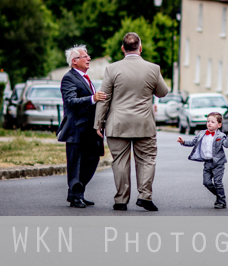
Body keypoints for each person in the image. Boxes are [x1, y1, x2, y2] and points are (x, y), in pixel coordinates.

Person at [94, 32, 169, 211]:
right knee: (147, 159)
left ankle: (121, 199)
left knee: (119, 161)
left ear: (122, 48)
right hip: (144, 123)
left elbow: (104, 98)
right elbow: (163, 92)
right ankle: (145, 196)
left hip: (117, 123)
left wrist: (98, 123)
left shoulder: (112, 69)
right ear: (140, 48)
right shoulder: (153, 69)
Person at [57, 45, 108, 208]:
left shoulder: (85, 77)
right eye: (85, 56)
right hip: (76, 129)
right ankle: (76, 195)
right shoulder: (69, 78)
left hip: (90, 130)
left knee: (92, 160)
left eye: (88, 56)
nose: (89, 58)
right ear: (74, 61)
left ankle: (77, 192)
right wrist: (92, 98)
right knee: (75, 164)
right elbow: (71, 102)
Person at [177, 112, 228, 208]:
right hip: (207, 163)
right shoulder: (202, 133)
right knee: (206, 182)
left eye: (212, 122)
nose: (209, 123)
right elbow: (193, 142)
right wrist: (183, 142)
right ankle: (219, 196)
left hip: (218, 163)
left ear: (219, 125)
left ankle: (221, 201)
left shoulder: (220, 135)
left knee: (218, 182)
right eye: (208, 121)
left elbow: (226, 144)